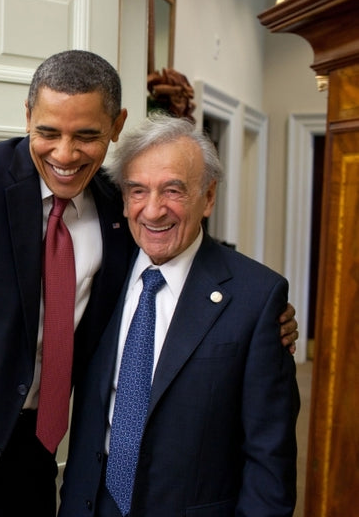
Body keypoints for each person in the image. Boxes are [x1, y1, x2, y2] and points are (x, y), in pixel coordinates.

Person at [0, 51, 297, 517]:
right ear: (28, 115)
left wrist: (257, 311)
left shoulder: (118, 207)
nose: (65, 154)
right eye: (48, 132)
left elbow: (176, 249)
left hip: (34, 464)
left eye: (87, 136)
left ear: (116, 125)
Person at [57, 113, 299, 517]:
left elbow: (269, 460)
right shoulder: (97, 274)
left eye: (173, 191)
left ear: (208, 196)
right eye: (137, 191)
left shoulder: (257, 298)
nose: (153, 211)